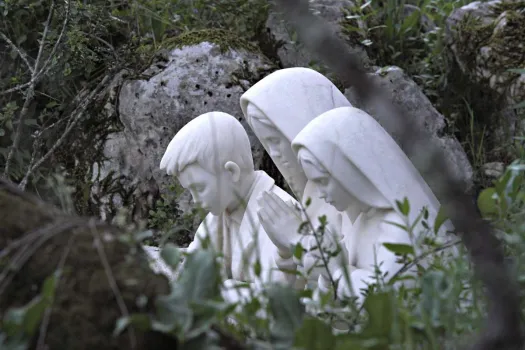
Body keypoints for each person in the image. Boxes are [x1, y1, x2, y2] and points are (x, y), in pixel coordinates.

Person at [291, 106, 456, 306]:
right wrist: (327, 277)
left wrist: (337, 272)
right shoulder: (362, 222)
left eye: (323, 181)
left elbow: (388, 300)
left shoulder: (401, 225)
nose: (320, 192)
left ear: (348, 170)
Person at [240, 67, 354, 289]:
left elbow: (354, 285)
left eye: (275, 140)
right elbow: (296, 287)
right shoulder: (313, 195)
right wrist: (285, 251)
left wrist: (297, 240)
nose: (274, 153)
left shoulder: (343, 198)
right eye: (267, 143)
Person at [159, 111, 298, 287]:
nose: (194, 200)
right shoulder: (219, 215)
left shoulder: (281, 214)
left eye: (200, 188)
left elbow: (276, 297)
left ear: (232, 172)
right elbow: (189, 275)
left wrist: (224, 290)